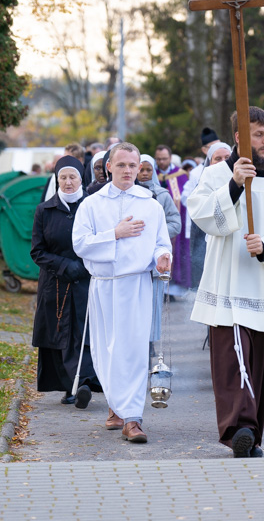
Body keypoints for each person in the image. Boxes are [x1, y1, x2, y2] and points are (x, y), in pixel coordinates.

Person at [187, 106, 264, 458]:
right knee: (231, 362)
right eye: (258, 134)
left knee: (262, 364)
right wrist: (234, 185)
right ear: (239, 137)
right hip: (229, 285)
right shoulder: (214, 177)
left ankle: (251, 433)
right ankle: (237, 430)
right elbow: (204, 216)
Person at [72, 143, 173, 443]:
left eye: (133, 165)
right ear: (108, 167)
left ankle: (132, 418)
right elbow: (80, 244)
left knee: (133, 350)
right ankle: (116, 406)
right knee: (106, 353)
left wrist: (162, 258)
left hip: (137, 285)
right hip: (104, 285)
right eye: (122, 165)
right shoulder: (91, 204)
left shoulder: (150, 203)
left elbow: (161, 242)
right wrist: (114, 234)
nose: (129, 171)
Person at [30, 156, 101, 408]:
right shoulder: (45, 210)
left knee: (85, 332)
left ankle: (84, 382)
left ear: (81, 178)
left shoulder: (92, 206)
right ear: (57, 180)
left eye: (73, 177)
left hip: (86, 281)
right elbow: (37, 251)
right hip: (56, 284)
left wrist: (82, 267)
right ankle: (70, 385)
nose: (68, 182)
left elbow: (101, 240)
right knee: (60, 334)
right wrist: (63, 266)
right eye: (63, 178)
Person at [138, 154, 182, 351]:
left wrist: (157, 233)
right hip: (134, 259)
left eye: (149, 169)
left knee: (154, 302)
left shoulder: (162, 195)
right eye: (141, 169)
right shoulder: (129, 194)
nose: (145, 173)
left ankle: (151, 341)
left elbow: (175, 223)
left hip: (154, 258)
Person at [186, 142, 232, 289]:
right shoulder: (202, 187)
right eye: (218, 159)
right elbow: (197, 230)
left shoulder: (245, 182)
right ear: (209, 162)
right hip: (211, 248)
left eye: (227, 157)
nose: (223, 162)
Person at [155, 144, 190, 294]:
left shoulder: (181, 175)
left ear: (170, 158)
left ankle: (175, 288)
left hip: (177, 222)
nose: (162, 162)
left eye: (164, 159)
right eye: (159, 159)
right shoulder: (151, 173)